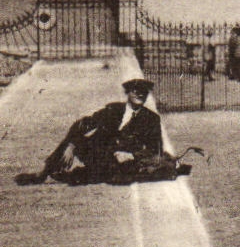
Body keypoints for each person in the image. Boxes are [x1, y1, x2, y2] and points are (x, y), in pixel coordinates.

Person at [30, 78, 168, 184]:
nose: (139, 94)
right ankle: (45, 171)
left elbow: (156, 148)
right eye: (135, 91)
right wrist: (71, 145)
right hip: (98, 153)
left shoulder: (151, 119)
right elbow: (83, 124)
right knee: (74, 140)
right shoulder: (113, 109)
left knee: (113, 176)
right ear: (128, 93)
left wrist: (132, 155)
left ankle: (78, 175)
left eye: (143, 92)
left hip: (122, 160)